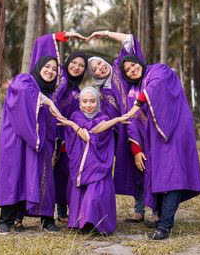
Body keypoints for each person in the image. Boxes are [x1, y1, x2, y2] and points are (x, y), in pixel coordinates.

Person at [120, 55, 200, 239]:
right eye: (127, 70)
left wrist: (139, 102)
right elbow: (132, 122)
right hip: (155, 138)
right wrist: (137, 150)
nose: (132, 69)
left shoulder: (158, 70)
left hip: (176, 129)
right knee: (161, 176)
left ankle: (164, 226)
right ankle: (162, 217)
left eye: (133, 65)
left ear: (140, 62)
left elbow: (157, 86)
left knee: (172, 175)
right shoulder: (132, 91)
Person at [87, 31, 157, 224]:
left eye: (100, 63)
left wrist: (106, 34)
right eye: (95, 69)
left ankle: (156, 209)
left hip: (144, 124)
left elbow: (129, 40)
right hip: (123, 134)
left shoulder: (120, 67)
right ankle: (139, 208)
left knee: (151, 165)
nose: (100, 68)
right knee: (136, 169)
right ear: (93, 75)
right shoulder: (100, 93)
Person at [0, 55, 64, 234]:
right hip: (16, 140)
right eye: (47, 66)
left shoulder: (51, 92)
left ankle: (47, 220)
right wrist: (46, 101)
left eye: (54, 69)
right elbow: (21, 90)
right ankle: (7, 219)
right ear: (39, 66)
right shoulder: (25, 79)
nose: (50, 71)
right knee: (15, 176)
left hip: (40, 143)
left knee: (42, 178)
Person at [57, 87, 129, 235]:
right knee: (80, 195)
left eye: (92, 101)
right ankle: (81, 223)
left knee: (94, 196)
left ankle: (96, 223)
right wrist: (74, 125)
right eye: (84, 101)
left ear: (98, 102)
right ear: (80, 102)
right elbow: (85, 135)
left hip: (98, 164)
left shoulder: (103, 119)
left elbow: (91, 133)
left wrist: (74, 126)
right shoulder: (76, 116)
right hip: (80, 166)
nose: (88, 105)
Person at [54, 51, 88, 223]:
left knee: (64, 172)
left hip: (67, 135)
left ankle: (62, 210)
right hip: (51, 131)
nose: (77, 67)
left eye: (81, 66)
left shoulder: (77, 90)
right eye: (74, 63)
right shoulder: (60, 79)